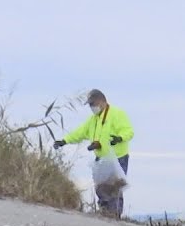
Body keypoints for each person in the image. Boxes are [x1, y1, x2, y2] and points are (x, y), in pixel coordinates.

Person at [54, 89, 134, 217]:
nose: (92, 107)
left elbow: (128, 131)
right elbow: (80, 132)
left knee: (114, 189)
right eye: (90, 104)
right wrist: (64, 141)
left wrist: (119, 138)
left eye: (93, 104)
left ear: (102, 102)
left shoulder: (117, 114)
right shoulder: (93, 119)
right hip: (101, 159)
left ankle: (114, 215)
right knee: (101, 189)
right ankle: (104, 212)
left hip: (117, 158)